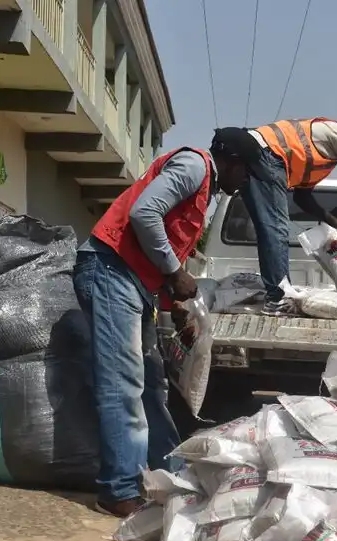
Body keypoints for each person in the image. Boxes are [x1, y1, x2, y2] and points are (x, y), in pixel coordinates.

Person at [74, 128, 261, 517]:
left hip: (132, 280)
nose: (246, 180)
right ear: (231, 163)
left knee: (151, 383)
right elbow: (144, 213)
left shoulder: (205, 188)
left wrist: (172, 301)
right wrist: (175, 273)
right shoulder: (195, 165)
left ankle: (167, 475)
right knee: (123, 384)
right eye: (246, 171)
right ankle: (119, 491)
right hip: (110, 270)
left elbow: (162, 240)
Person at [243, 118, 337, 315]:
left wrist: (335, 223)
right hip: (266, 153)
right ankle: (278, 299)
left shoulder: (318, 154)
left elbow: (302, 199)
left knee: (267, 227)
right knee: (277, 227)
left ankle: (276, 295)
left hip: (249, 152)